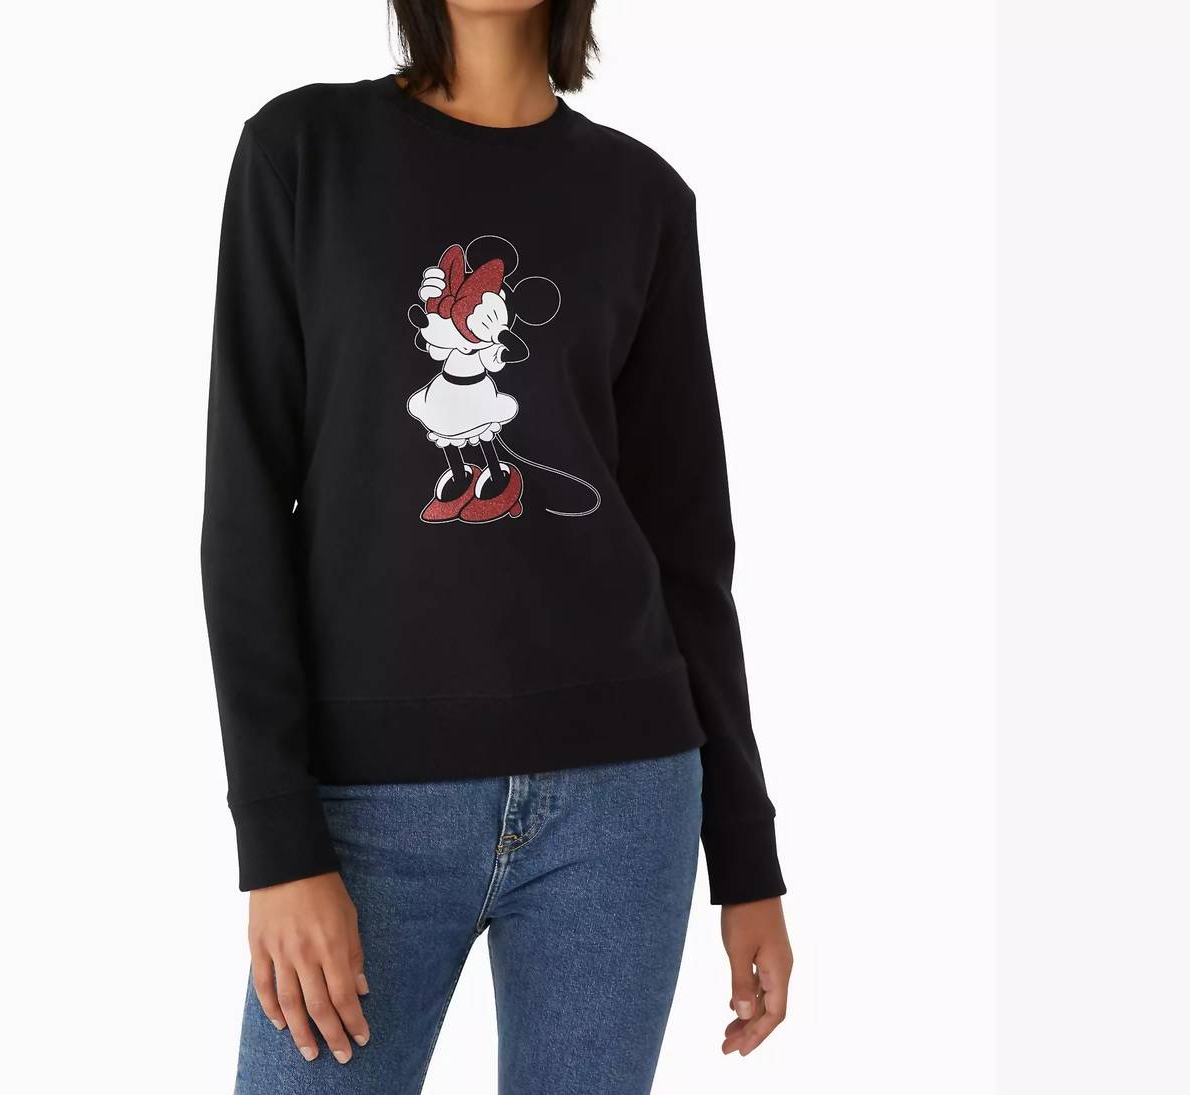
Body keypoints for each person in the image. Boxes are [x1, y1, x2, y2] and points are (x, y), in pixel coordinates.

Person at [201, 1, 792, 1090]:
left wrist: (746, 854)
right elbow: (243, 515)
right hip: (364, 806)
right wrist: (276, 841)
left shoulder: (643, 198)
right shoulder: (301, 154)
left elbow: (689, 550)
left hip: (622, 802)